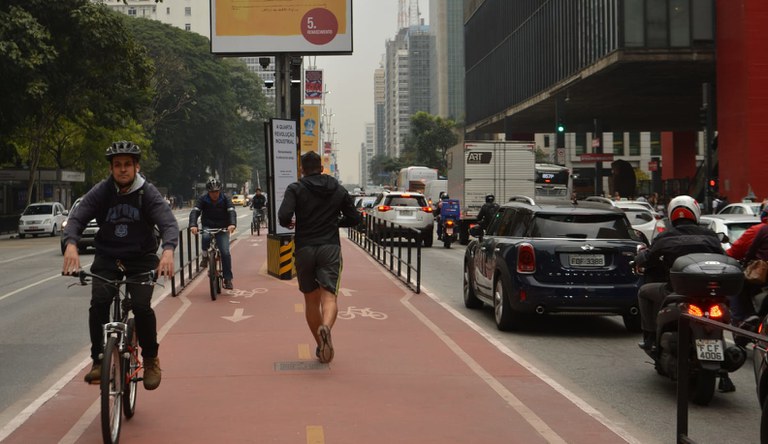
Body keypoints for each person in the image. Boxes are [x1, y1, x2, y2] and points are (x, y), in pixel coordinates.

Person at [62, 141, 178, 390]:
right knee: (99, 303)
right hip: (108, 257)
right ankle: (98, 359)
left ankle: (150, 359)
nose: (122, 169)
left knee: (141, 306)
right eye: (117, 165)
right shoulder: (102, 191)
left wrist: (168, 250)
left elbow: (168, 223)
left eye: (127, 164)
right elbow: (77, 218)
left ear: (137, 167)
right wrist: (70, 243)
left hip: (141, 258)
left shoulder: (147, 193)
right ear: (111, 168)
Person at [277, 151, 360, 364]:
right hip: (330, 247)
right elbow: (354, 218)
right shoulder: (337, 188)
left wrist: (289, 223)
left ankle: (320, 344)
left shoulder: (295, 188)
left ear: (302, 170)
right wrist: (335, 222)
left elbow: (284, 216)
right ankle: (327, 328)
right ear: (321, 168)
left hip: (304, 248)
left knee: (311, 300)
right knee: (329, 297)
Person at [635, 195, 724, 351]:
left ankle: (650, 337)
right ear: (696, 212)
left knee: (643, 292)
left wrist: (639, 258)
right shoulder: (710, 235)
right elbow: (723, 257)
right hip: (709, 292)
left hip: (676, 291)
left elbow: (647, 259)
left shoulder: (665, 237)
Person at [189, 177, 237, 289]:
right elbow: (195, 211)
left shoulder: (225, 198)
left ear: (220, 191)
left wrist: (232, 224)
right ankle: (205, 256)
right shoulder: (202, 199)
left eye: (216, 191)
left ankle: (228, 279)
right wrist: (193, 225)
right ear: (208, 192)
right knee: (205, 237)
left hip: (222, 227)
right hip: (208, 225)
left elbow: (231, 211)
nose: (214, 194)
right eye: (212, 192)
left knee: (225, 252)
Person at [726, 207, 768, 326]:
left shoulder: (760, 229)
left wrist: (746, 263)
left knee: (737, 286)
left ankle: (741, 318)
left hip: (763, 274)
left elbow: (739, 251)